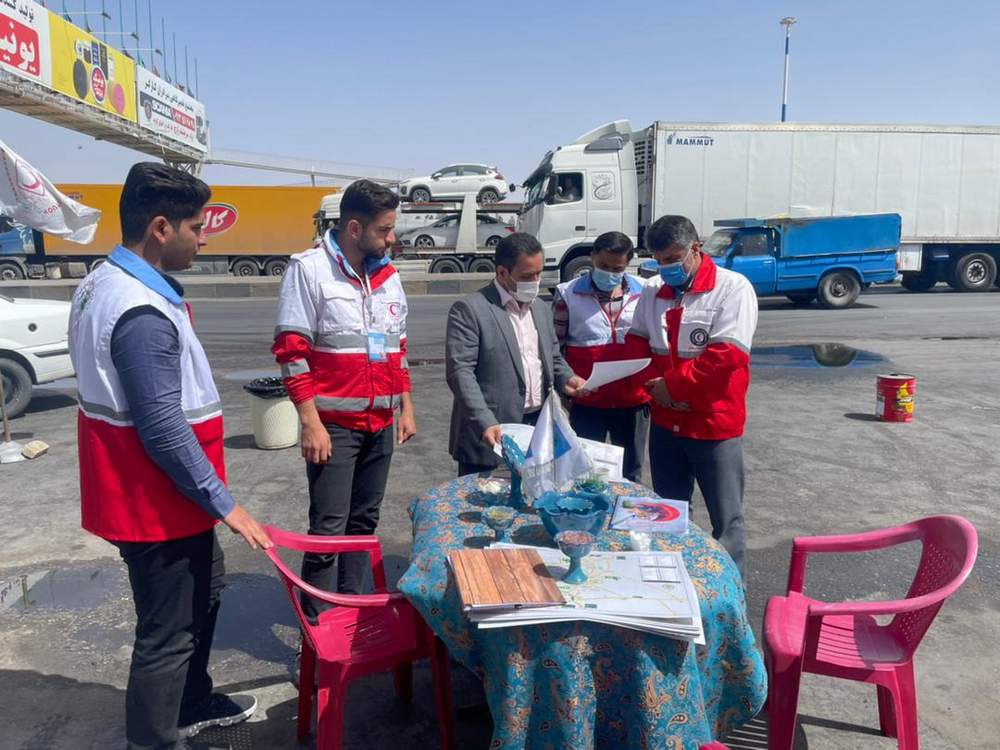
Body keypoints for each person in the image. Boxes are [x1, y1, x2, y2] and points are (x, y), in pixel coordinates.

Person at [69, 163, 271, 750]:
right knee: (167, 631)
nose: (203, 239)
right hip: (155, 499)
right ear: (161, 228)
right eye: (196, 227)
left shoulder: (104, 281)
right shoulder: (139, 311)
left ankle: (192, 699)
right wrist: (226, 504)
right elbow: (160, 426)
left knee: (205, 589)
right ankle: (155, 738)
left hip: (160, 494)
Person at [272, 179, 415, 622]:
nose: (391, 239)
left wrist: (406, 406)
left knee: (364, 523)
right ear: (354, 228)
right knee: (329, 529)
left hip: (380, 423)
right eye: (384, 230)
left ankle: (352, 611)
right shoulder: (310, 270)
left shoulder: (388, 275)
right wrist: (310, 422)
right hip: (332, 427)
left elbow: (397, 346)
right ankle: (316, 622)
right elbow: (292, 353)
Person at [625, 215, 758, 575]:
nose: (665, 267)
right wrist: (655, 387)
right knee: (669, 514)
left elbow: (726, 357)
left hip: (713, 425)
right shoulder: (653, 291)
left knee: (727, 519)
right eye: (659, 260)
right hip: (666, 423)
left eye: (672, 258)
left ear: (695, 249)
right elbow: (637, 344)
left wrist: (672, 386)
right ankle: (678, 585)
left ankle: (731, 593)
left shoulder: (732, 289)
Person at [446, 232, 590, 476]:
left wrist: (567, 377)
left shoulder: (540, 308)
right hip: (492, 432)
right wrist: (485, 420)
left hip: (537, 429)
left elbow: (552, 356)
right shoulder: (471, 309)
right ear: (502, 272)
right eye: (526, 276)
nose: (535, 281)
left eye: (538, 274)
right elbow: (461, 373)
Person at [552, 231, 650, 482]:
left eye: (617, 269)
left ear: (628, 264)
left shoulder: (646, 291)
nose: (610, 273)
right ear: (593, 256)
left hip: (633, 401)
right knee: (583, 471)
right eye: (604, 266)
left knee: (630, 473)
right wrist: (565, 384)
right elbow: (555, 347)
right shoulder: (567, 293)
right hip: (587, 400)